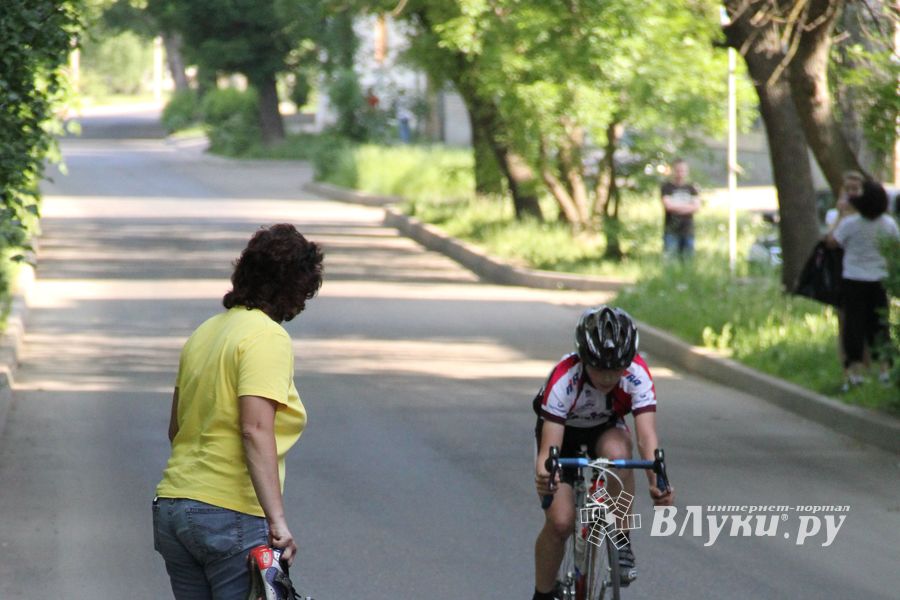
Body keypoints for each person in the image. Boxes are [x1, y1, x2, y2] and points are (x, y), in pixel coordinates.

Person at [153, 224, 324, 599]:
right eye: (304, 293)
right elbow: (254, 429)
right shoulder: (266, 337)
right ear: (293, 288)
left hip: (173, 508)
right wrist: (277, 521)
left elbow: (176, 428)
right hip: (227, 512)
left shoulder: (205, 333)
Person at [532, 306, 674, 600]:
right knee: (560, 522)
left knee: (620, 452)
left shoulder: (638, 375)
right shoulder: (564, 380)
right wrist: (547, 477)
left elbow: (647, 438)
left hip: (605, 427)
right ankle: (542, 594)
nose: (608, 377)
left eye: (616, 369)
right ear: (583, 360)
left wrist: (657, 483)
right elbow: (548, 450)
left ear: (628, 363)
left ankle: (621, 542)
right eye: (599, 368)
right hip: (563, 434)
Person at [827, 181, 899, 391]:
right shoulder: (888, 224)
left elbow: (832, 242)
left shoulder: (851, 224)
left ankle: (854, 372)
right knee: (879, 325)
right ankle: (884, 370)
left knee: (853, 326)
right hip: (879, 279)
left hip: (854, 279)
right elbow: (896, 246)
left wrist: (840, 216)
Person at [660, 158, 701, 259]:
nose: (680, 173)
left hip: (687, 230)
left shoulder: (692, 188)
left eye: (683, 170)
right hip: (671, 230)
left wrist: (677, 207)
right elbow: (668, 206)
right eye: (678, 170)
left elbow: (696, 207)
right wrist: (687, 207)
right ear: (673, 171)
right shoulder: (667, 187)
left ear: (687, 171)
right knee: (670, 261)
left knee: (688, 261)